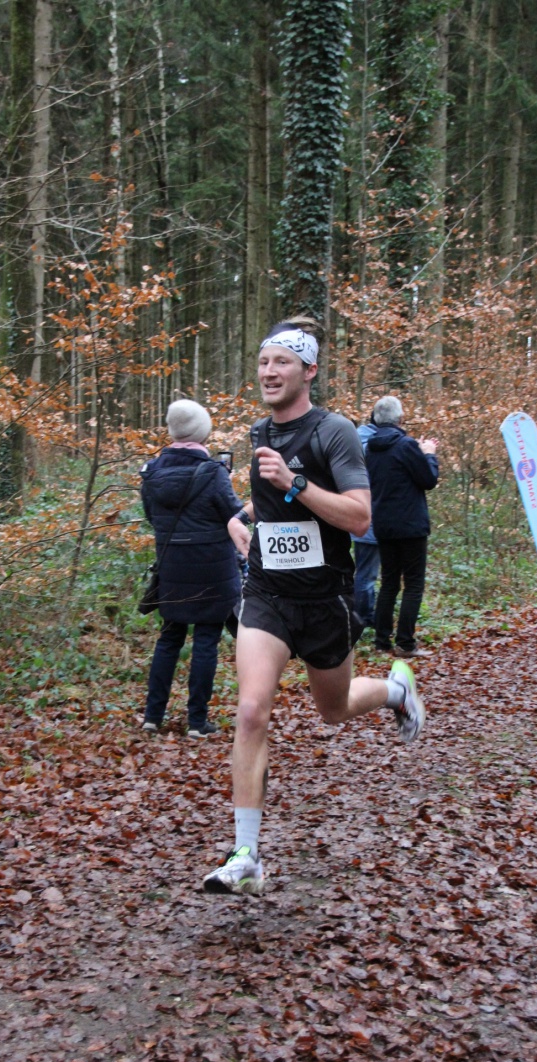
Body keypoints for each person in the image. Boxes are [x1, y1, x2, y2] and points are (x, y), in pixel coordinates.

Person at [202, 320, 426, 895]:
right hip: (267, 595)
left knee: (334, 708)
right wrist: (240, 520)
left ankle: (396, 691)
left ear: (309, 371)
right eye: (263, 362)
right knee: (251, 710)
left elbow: (360, 516)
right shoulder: (259, 431)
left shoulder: (335, 433)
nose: (269, 372)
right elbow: (268, 502)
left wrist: (295, 483)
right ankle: (245, 855)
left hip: (324, 597)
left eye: (282, 362)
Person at [140, 398, 251, 738]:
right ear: (203, 433)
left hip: (172, 566)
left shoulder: (151, 472)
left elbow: (152, 517)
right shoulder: (214, 473)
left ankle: (152, 717)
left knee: (169, 638)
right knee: (206, 640)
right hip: (212, 568)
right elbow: (234, 515)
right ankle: (197, 722)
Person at [364, 394, 439, 657]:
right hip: (411, 525)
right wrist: (428, 454)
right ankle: (405, 643)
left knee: (389, 582)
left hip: (383, 524)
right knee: (414, 584)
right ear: (400, 419)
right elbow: (428, 479)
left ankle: (381, 641)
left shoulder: (370, 449)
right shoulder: (406, 445)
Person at [351, 415, 380, 627]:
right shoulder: (375, 446)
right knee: (366, 574)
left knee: (364, 571)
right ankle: (361, 619)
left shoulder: (353, 441)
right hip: (370, 518)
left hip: (354, 517)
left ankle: (363, 615)